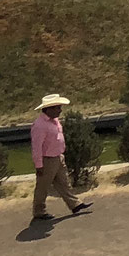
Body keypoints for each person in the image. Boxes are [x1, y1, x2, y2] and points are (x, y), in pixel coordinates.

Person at [31, 94, 90, 223]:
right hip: (47, 159)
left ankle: (75, 204)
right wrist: (39, 165)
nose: (60, 110)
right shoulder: (39, 125)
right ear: (49, 109)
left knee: (64, 183)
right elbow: (36, 147)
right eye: (58, 107)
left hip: (58, 157)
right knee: (43, 187)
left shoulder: (55, 121)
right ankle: (39, 212)